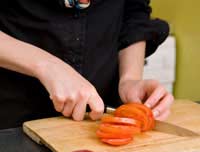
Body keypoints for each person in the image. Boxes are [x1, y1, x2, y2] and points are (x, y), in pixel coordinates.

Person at [0, 0, 174, 130]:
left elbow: (133, 10)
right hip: (12, 120)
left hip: (97, 118)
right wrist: (47, 66)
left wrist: (130, 79)